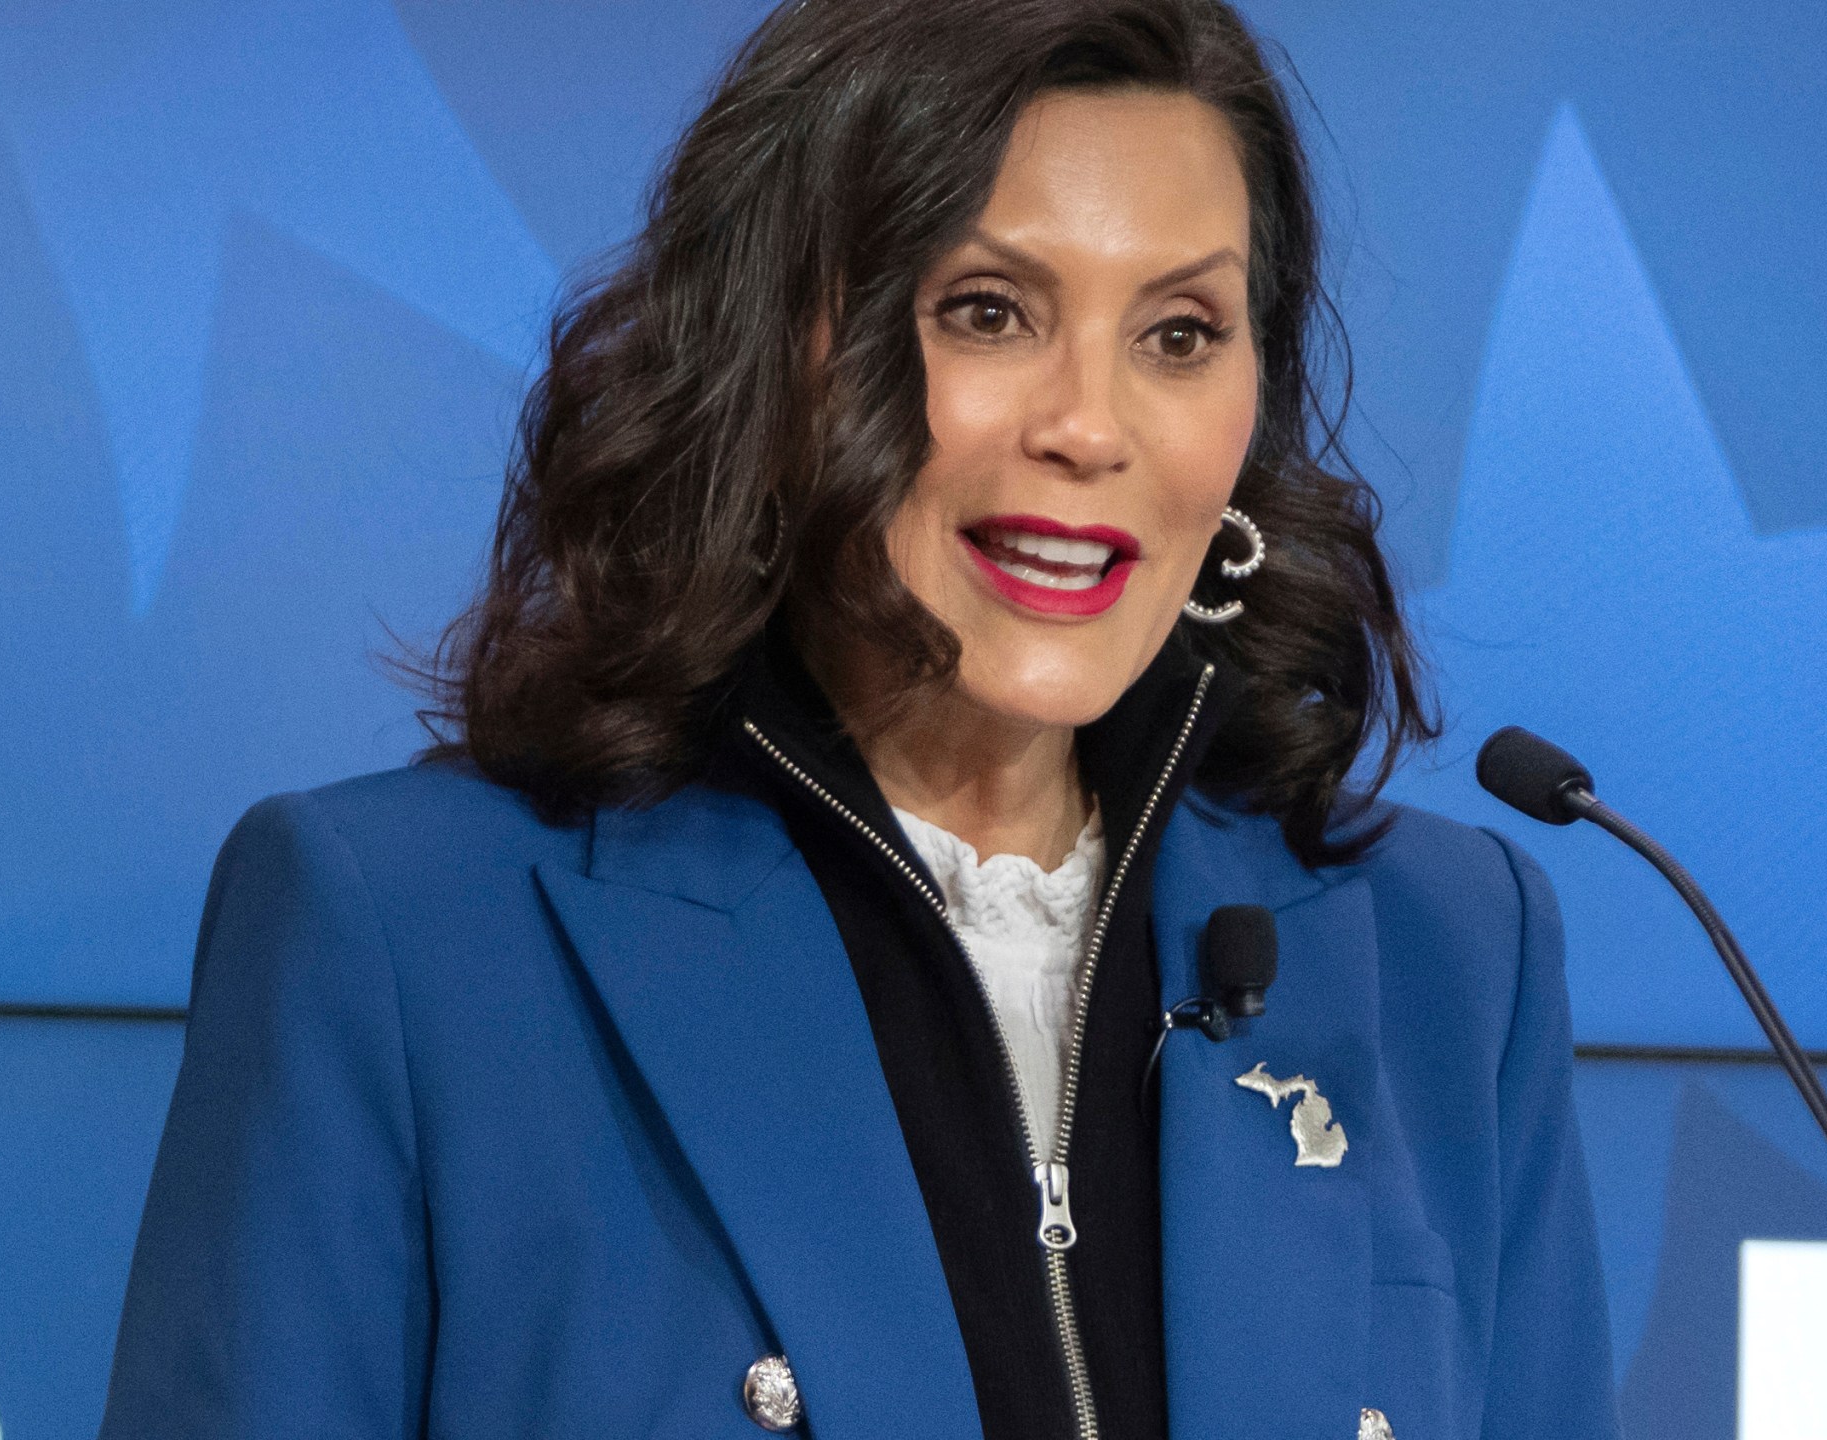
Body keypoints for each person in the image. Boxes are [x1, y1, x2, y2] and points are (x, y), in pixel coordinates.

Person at [96, 0, 1619, 1437]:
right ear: (773, 353)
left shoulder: (1445, 956)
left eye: (1178, 334)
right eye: (987, 311)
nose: (1090, 427)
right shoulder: (407, 937)